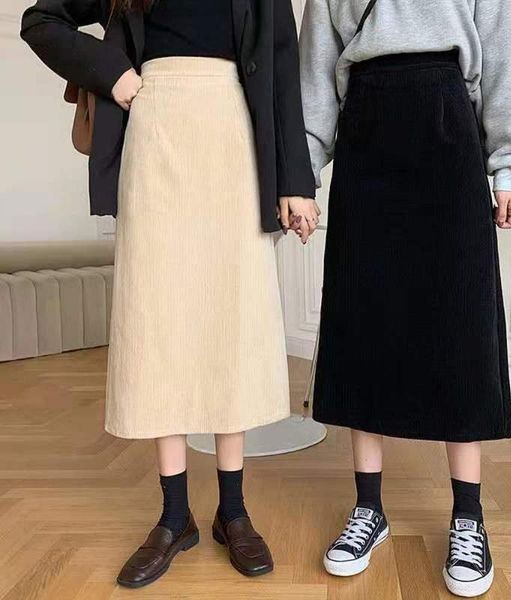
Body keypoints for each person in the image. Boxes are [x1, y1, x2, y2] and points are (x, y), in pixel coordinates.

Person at [21, 0, 319, 587]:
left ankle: (233, 510)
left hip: (235, 141)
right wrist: (114, 72)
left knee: (230, 316)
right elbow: (41, 20)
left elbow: (282, 67)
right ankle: (174, 515)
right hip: (154, 140)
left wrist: (296, 182)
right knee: (157, 318)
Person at [299, 0, 511, 596]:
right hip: (365, 135)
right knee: (363, 320)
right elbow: (317, 70)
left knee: (460, 320)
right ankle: (368, 507)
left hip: (448, 129)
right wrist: (303, 176)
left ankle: (468, 515)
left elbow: (504, 52)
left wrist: (506, 167)